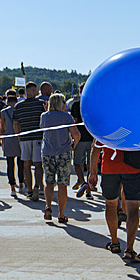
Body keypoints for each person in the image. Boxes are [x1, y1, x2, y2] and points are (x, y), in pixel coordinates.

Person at [88, 141, 140, 263]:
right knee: (133, 208)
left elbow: (95, 147)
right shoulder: (135, 122)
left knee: (110, 205)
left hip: (110, 168)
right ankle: (130, 250)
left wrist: (92, 172)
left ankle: (114, 243)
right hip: (134, 168)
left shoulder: (106, 123)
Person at [39, 93, 80, 223]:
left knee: (49, 182)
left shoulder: (44, 116)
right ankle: (61, 214)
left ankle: (48, 207)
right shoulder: (66, 117)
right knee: (62, 184)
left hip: (47, 152)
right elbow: (76, 134)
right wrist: (73, 145)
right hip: (63, 152)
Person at [13, 81, 45, 201]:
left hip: (24, 137)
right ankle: (38, 185)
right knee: (38, 164)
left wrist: (18, 136)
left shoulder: (18, 106)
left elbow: (15, 123)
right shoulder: (40, 104)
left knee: (26, 164)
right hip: (38, 137)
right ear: (33, 91)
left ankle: (29, 190)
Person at [70, 82, 94, 199]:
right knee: (90, 165)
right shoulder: (93, 104)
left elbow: (74, 122)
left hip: (80, 137)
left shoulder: (76, 105)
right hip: (92, 137)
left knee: (77, 163)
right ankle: (88, 190)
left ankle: (82, 181)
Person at [1, 95, 23, 197]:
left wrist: (1, 139)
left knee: (10, 164)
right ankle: (22, 183)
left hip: (8, 138)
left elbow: (2, 127)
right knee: (21, 162)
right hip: (19, 138)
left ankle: (12, 186)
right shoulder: (20, 110)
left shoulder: (3, 112)